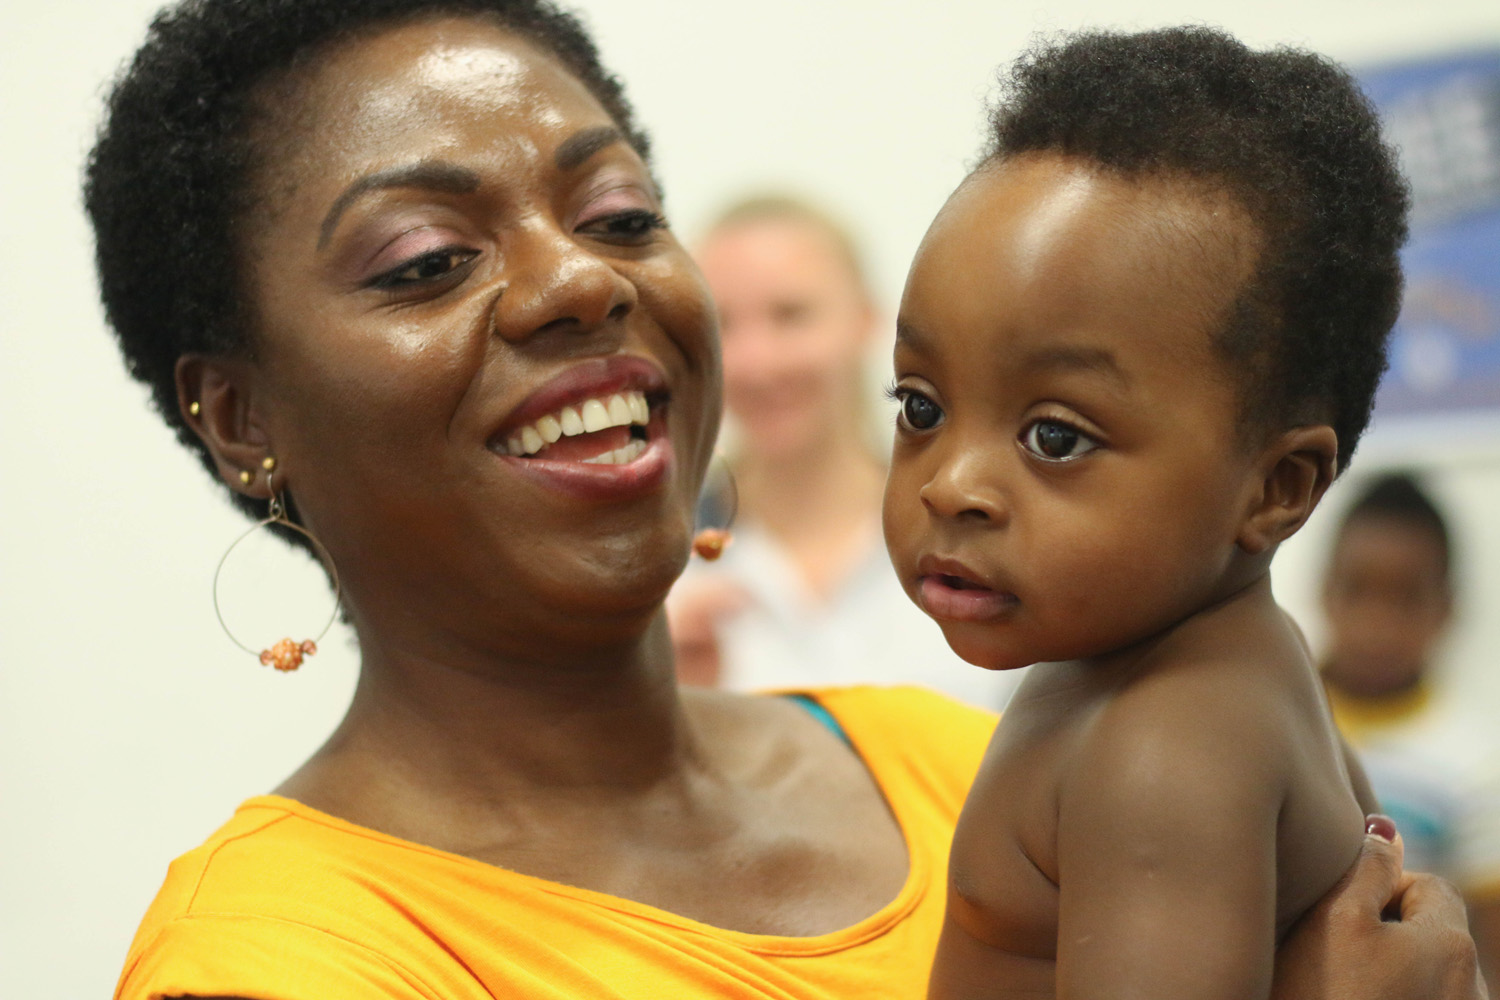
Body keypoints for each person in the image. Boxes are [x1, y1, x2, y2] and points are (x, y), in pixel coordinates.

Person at [83, 2, 1483, 998]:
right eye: (424, 260)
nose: (583, 279)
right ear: (241, 416)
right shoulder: (282, 959)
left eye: (622, 215)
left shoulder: (962, 760)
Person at [881, 27, 1426, 999]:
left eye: (1055, 436)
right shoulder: (1227, 666)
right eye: (921, 406)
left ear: (1278, 488)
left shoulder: (1160, 750)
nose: (950, 482)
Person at [670, 196, 1015, 707]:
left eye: (791, 315)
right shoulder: (665, 569)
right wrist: (657, 698)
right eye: (721, 324)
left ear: (867, 319)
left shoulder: (975, 537)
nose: (755, 362)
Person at [1321, 472, 1500, 983]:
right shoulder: (1277, 720)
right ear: (1326, 591)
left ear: (1444, 609)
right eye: (1358, 591)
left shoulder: (1478, 763)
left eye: (1405, 598)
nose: (1376, 625)